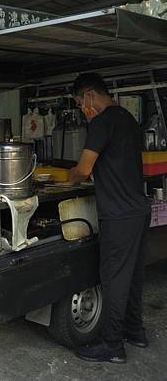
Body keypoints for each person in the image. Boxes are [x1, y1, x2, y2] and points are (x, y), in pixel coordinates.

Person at [69, 73, 150, 363]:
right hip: (139, 210)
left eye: (80, 103)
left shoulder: (101, 122)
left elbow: (85, 169)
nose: (82, 109)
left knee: (114, 279)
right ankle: (134, 331)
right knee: (133, 276)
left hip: (118, 215)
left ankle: (113, 345)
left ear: (90, 95)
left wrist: (71, 176)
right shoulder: (127, 119)